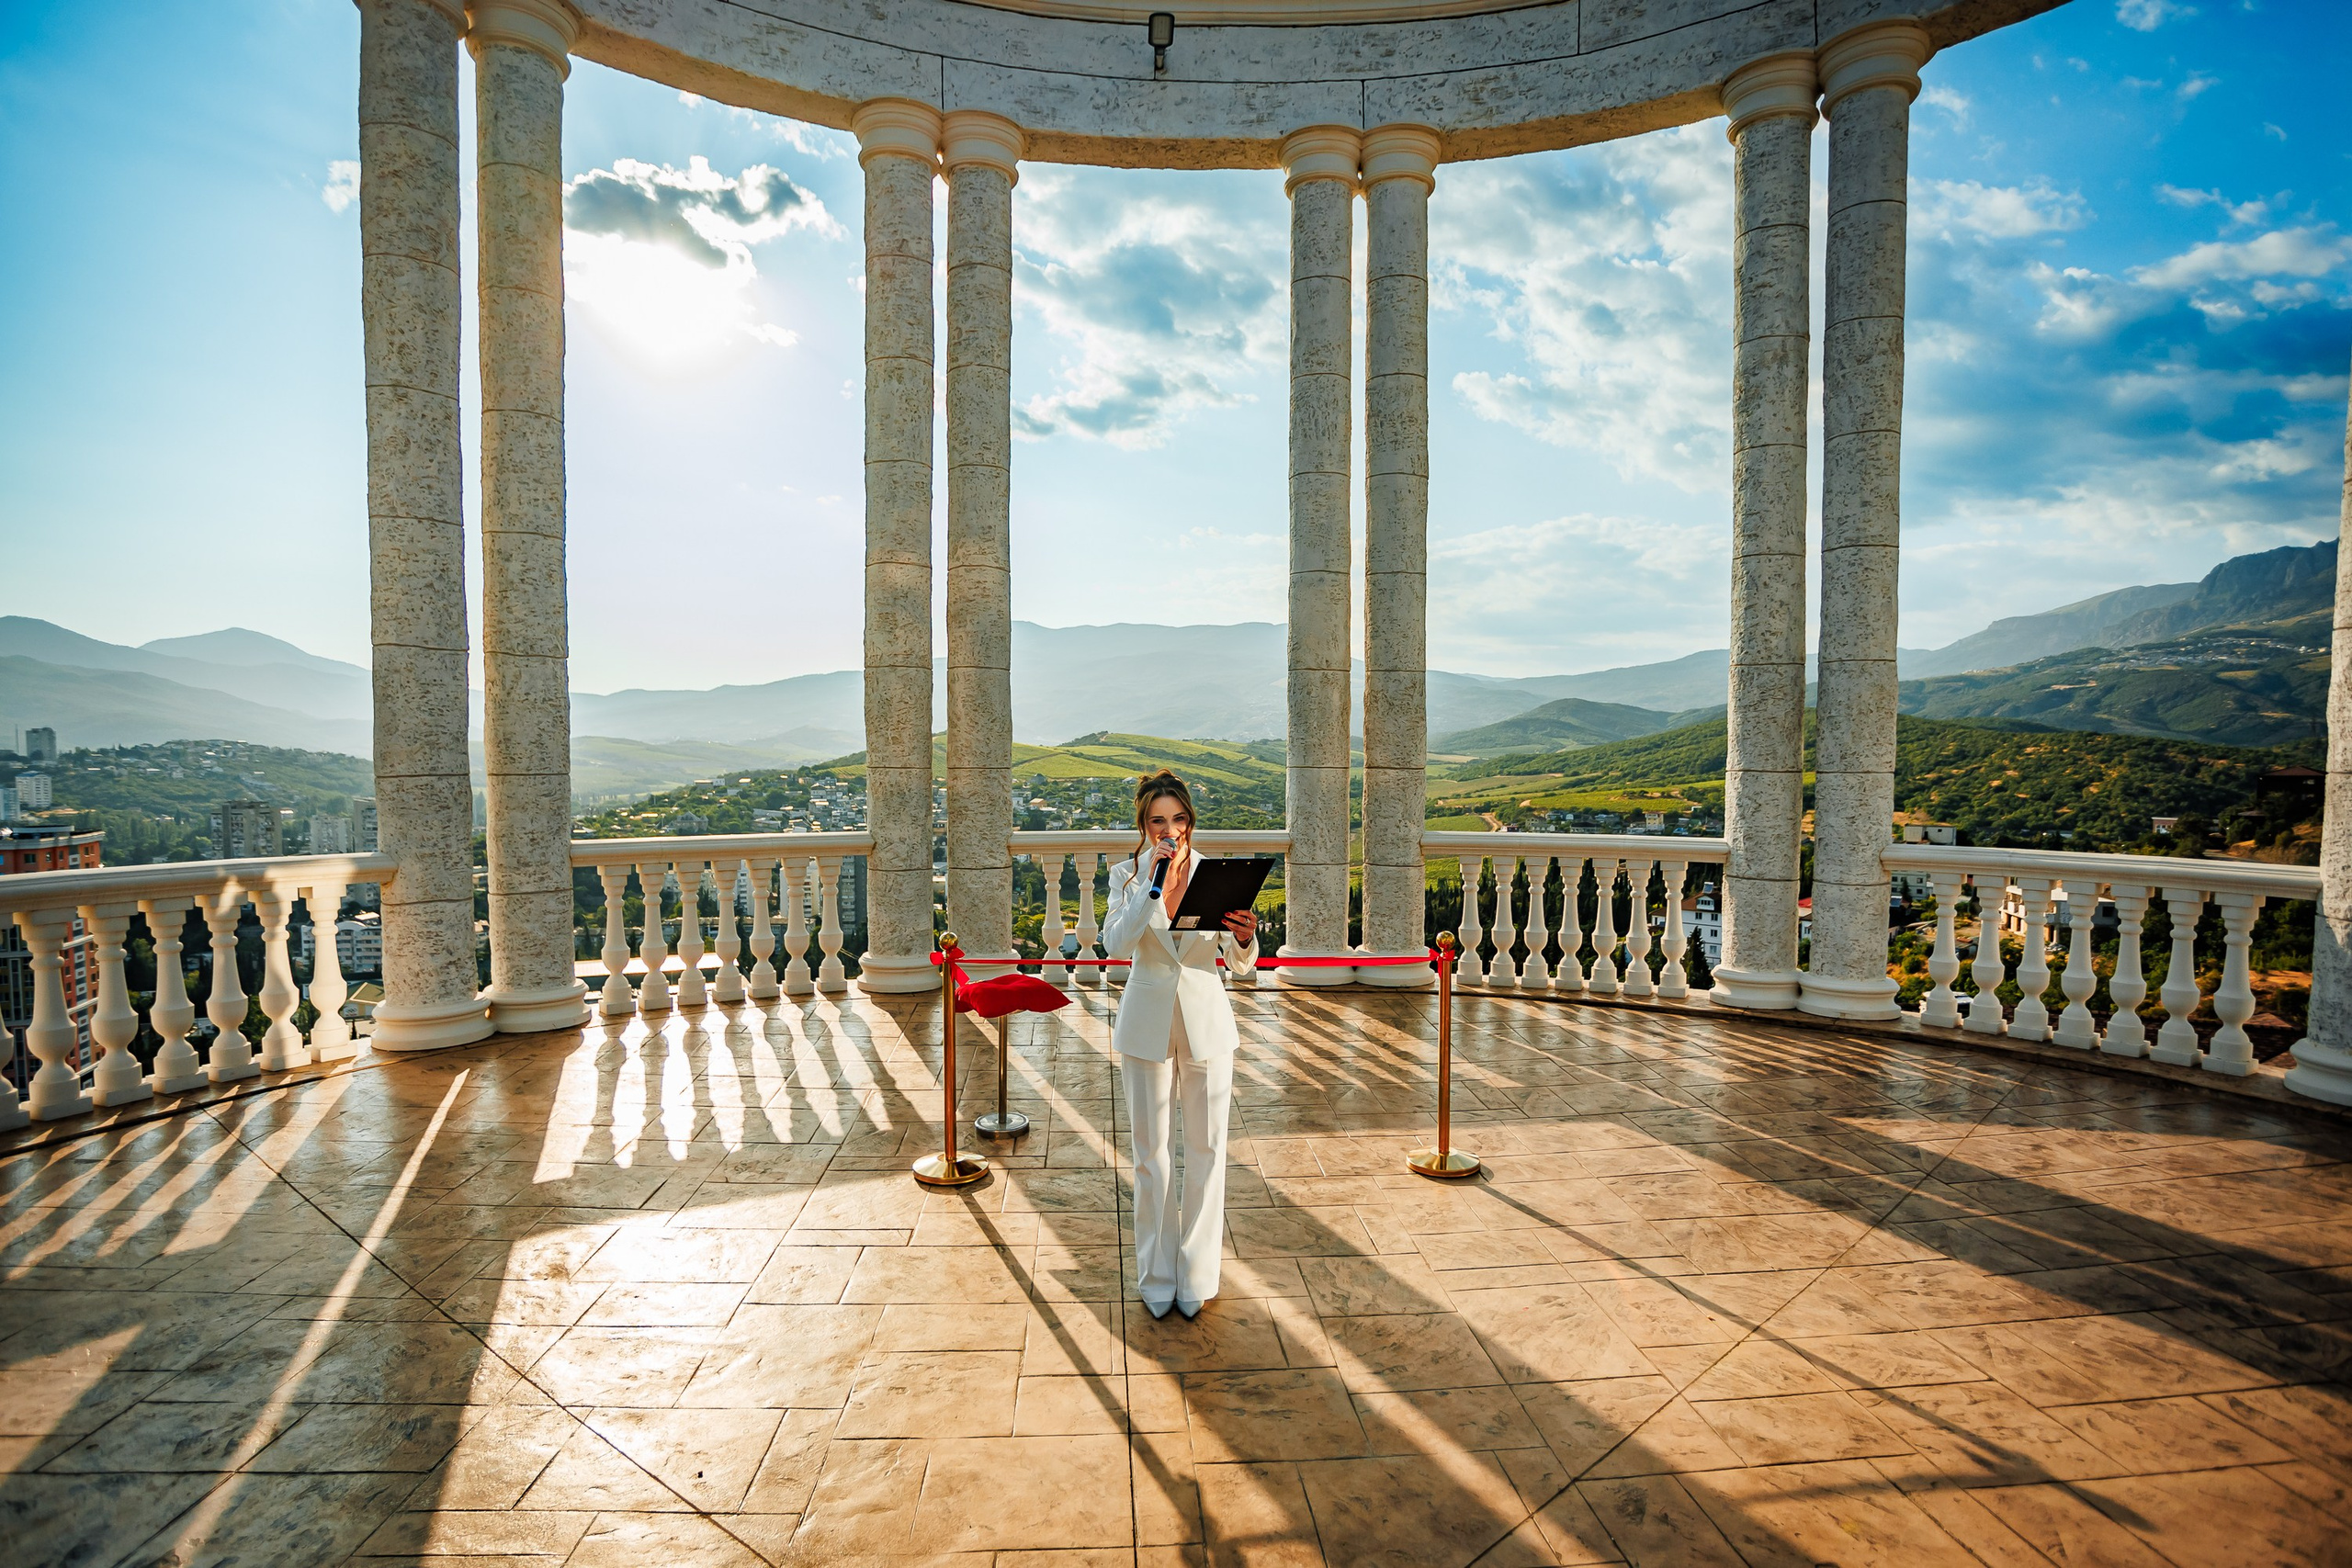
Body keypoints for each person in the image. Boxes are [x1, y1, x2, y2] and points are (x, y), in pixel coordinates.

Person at [1101, 770, 1258, 1320]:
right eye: (1158, 821)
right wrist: (1150, 880)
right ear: (1144, 826)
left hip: (1206, 1021)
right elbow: (1115, 945)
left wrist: (1244, 936)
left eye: (1179, 820)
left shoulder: (1216, 874)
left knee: (1209, 1151)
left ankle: (1196, 1274)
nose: (1171, 830)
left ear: (1190, 821)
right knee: (1150, 1157)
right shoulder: (1126, 874)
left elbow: (1239, 965)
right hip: (1146, 1020)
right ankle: (1156, 1274)